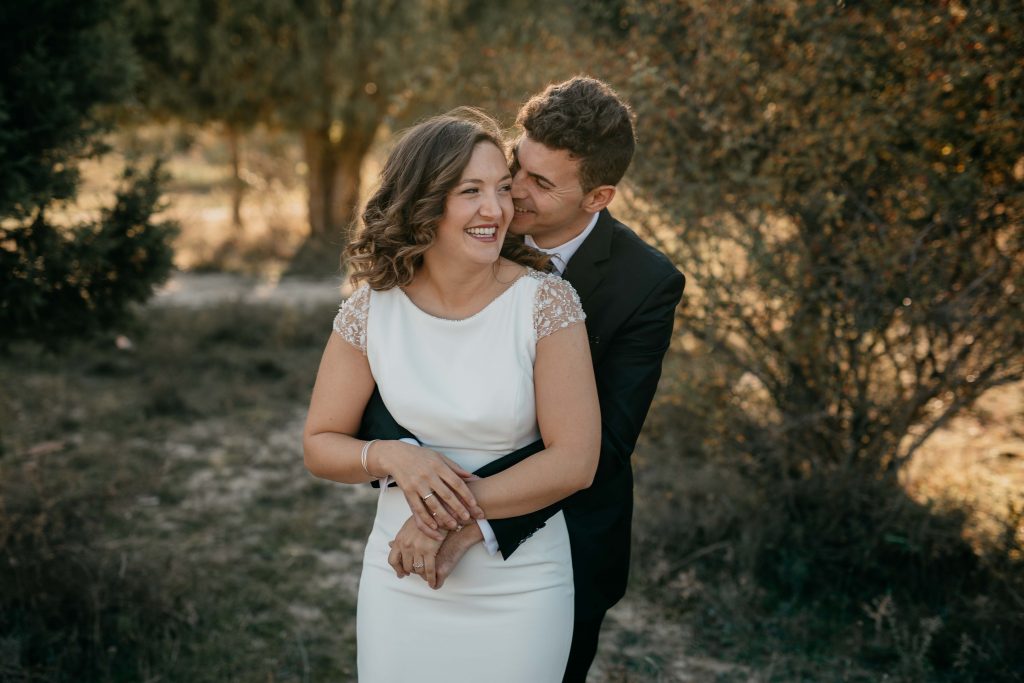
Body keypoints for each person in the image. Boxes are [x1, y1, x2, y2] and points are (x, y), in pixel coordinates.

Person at [381, 77, 686, 682]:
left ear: (598, 197)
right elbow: (393, 357)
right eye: (517, 163)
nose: (512, 191)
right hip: (417, 524)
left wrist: (463, 517)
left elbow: (606, 443)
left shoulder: (645, 284)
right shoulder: (465, 231)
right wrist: (410, 465)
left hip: (563, 540)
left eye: (541, 184)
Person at [302, 108, 601, 681]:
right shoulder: (371, 310)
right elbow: (320, 443)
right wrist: (393, 456)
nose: (496, 210)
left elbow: (575, 461)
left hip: (520, 583)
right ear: (424, 202)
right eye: (471, 192)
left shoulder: (546, 304)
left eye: (502, 189)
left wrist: (442, 518)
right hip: (401, 574)